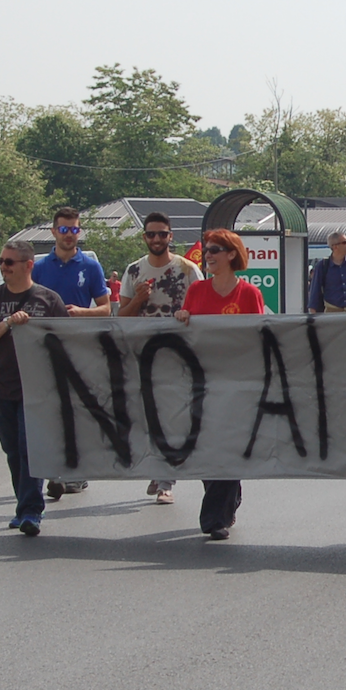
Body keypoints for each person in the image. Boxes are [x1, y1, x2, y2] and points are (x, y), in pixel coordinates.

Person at [174, 230, 265, 540]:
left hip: (236, 383)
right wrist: (182, 317)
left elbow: (257, 338)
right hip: (201, 383)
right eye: (207, 250)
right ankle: (227, 497)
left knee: (228, 445)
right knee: (206, 448)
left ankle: (216, 517)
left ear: (231, 254)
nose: (208, 255)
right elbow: (186, 334)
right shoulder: (197, 291)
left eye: (215, 250)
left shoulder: (249, 294)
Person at [0, 240, 69, 536]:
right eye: (2, 262)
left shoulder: (48, 299)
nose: (4, 267)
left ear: (28, 265)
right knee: (13, 451)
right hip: (0, 387)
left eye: (9, 262)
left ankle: (31, 511)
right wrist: (8, 323)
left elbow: (65, 340)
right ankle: (23, 505)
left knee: (31, 450)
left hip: (36, 388)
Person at [119, 212, 204, 505]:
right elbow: (122, 317)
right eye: (151, 234)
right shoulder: (133, 271)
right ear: (144, 237)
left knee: (172, 417)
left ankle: (167, 480)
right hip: (142, 354)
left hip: (180, 355)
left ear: (170, 237)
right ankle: (157, 468)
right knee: (146, 416)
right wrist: (140, 299)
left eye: (162, 234)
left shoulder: (188, 269)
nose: (156, 239)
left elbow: (202, 310)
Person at [33, 206, 110, 500]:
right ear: (54, 232)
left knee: (79, 410)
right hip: (47, 349)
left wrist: (82, 313)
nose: (69, 235)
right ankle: (54, 469)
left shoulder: (89, 267)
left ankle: (77, 472)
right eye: (64, 229)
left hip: (80, 348)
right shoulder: (39, 268)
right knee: (50, 410)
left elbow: (105, 308)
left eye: (74, 229)